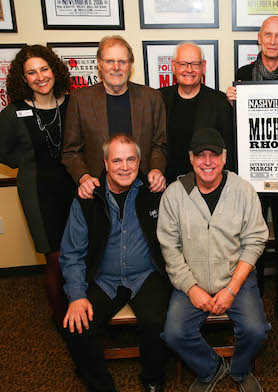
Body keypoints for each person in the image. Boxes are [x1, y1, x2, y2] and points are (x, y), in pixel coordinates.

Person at [158, 128, 270, 392]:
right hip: (191, 282)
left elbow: (255, 242)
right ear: (190, 158)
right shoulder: (174, 194)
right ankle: (212, 368)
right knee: (173, 334)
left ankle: (241, 370)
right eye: (200, 155)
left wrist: (231, 289)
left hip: (236, 279)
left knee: (256, 330)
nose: (207, 162)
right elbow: (169, 248)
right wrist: (191, 288)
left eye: (214, 155)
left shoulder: (243, 190)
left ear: (224, 157)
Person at [59, 134, 171, 392]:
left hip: (146, 274)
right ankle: (102, 386)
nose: (124, 166)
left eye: (131, 159)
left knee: (157, 321)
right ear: (106, 164)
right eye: (117, 160)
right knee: (77, 328)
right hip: (103, 278)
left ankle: (153, 380)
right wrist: (76, 295)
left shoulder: (153, 192)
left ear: (139, 162)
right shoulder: (87, 198)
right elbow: (72, 253)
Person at [226, 15, 278, 318]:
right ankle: (255, 287)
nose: (273, 41)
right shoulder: (244, 74)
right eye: (268, 35)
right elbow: (242, 127)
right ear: (259, 39)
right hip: (254, 174)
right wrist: (232, 102)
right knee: (253, 235)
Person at [0, 45, 76, 327]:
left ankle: (83, 308)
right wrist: (26, 161)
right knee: (55, 259)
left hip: (75, 190)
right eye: (31, 72)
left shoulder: (72, 103)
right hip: (38, 194)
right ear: (23, 79)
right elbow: (2, 151)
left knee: (80, 253)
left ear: (54, 70)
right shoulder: (14, 113)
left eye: (44, 69)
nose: (40, 76)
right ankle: (61, 318)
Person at [62, 35, 167, 199]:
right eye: (110, 61)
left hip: (143, 191)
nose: (116, 67)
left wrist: (156, 169)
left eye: (122, 62)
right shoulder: (80, 100)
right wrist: (83, 177)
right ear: (99, 64)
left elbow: (159, 144)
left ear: (130, 65)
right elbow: (71, 151)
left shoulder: (151, 98)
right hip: (97, 192)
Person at [160, 42, 234, 183]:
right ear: (173, 66)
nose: (189, 70)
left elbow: (228, 150)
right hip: (165, 185)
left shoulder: (220, 102)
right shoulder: (159, 99)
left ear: (203, 67)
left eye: (195, 64)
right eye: (183, 64)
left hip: (207, 185)